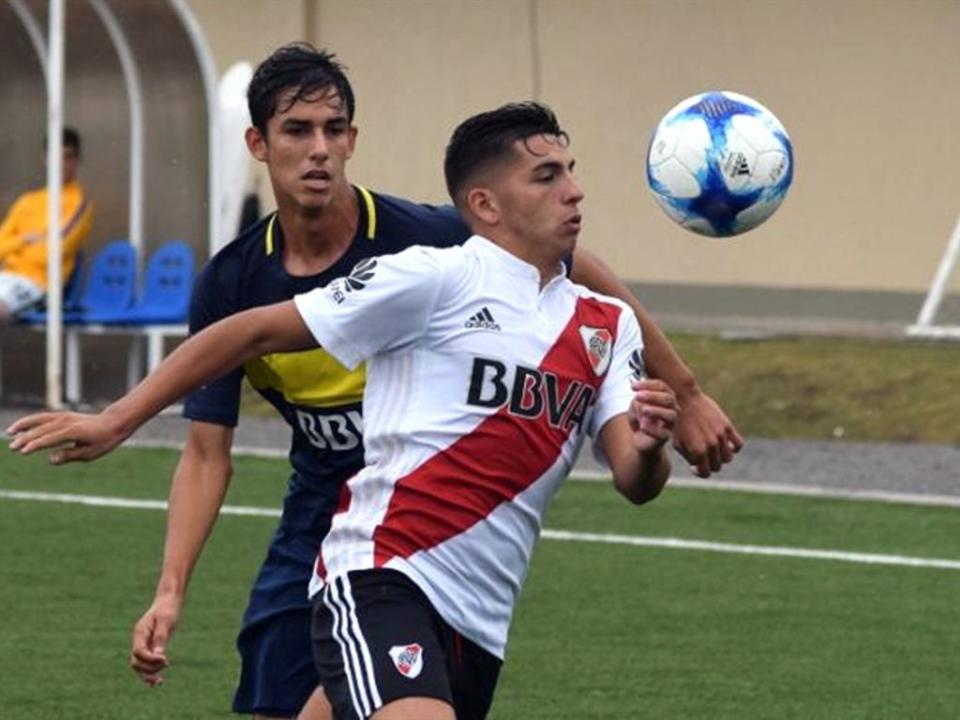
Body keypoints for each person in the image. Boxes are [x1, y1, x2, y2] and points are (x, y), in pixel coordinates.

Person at [10, 45, 739, 720]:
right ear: (258, 144)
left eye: (334, 128)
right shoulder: (272, 279)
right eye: (297, 130)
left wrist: (679, 400)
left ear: (354, 139)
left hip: (469, 585)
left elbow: (579, 276)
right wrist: (159, 555)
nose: (319, 148)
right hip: (356, 535)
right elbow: (211, 438)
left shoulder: (437, 242)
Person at [0, 127, 93, 324]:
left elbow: (52, 253)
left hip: (38, 282)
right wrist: (24, 240)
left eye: (67, 157)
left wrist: (15, 249)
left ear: (76, 161)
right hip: (6, 275)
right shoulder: (28, 201)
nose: (61, 164)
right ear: (45, 158)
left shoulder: (78, 203)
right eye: (55, 156)